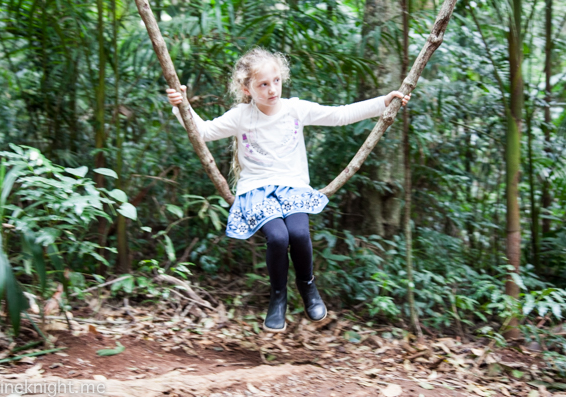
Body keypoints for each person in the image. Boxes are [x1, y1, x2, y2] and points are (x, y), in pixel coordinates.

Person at [166, 47, 410, 332]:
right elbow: (204, 132)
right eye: (263, 84)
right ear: (246, 88)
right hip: (257, 190)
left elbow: (340, 115)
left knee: (298, 233)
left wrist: (383, 102)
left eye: (276, 81)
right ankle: (278, 297)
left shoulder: (295, 109)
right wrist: (180, 105)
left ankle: (307, 287)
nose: (272, 90)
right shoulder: (241, 116)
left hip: (292, 187)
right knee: (279, 238)